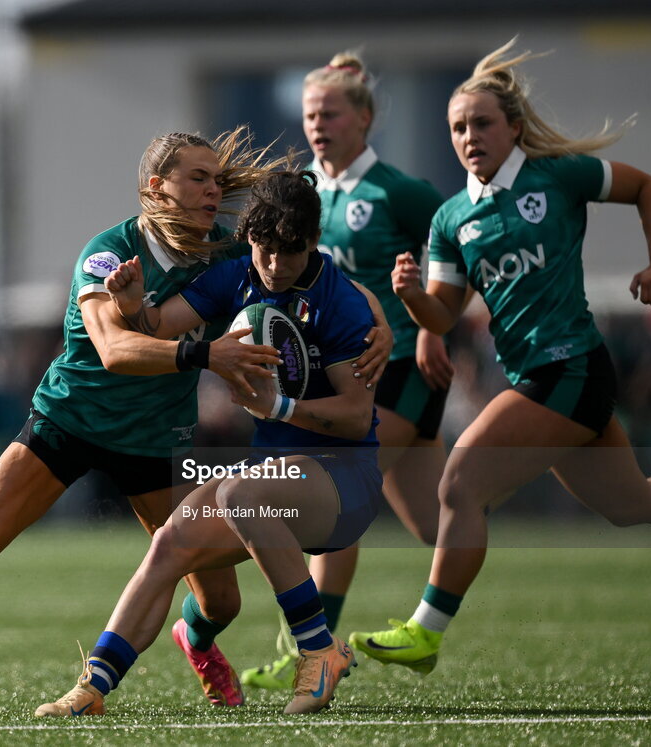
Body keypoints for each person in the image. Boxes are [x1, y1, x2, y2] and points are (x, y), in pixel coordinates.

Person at [0, 128, 293, 714]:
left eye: (217, 179)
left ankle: (196, 641)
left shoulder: (229, 256)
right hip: (69, 423)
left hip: (155, 441)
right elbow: (114, 350)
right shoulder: (108, 252)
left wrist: (364, 324)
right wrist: (208, 355)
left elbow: (295, 296)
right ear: (156, 187)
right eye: (197, 177)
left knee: (222, 601)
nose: (212, 190)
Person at [348, 38, 651, 674]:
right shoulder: (451, 219)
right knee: (629, 503)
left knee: (459, 480)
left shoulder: (557, 177)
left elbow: (648, 188)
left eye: (481, 123)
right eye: (456, 128)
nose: (468, 136)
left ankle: (426, 632)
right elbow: (445, 314)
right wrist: (414, 299)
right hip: (542, 378)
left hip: (572, 367)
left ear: (514, 129)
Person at [34, 168, 385, 717]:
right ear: (249, 239)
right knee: (169, 544)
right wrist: (129, 306)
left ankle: (318, 649)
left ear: (313, 242)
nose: (272, 265)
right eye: (263, 248)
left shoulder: (341, 302)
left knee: (241, 491)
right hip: (269, 481)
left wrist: (281, 408)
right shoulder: (238, 276)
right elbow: (155, 325)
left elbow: (357, 415)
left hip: (343, 480)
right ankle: (93, 687)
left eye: (288, 253)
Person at [241, 51, 454, 690]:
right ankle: (432, 619)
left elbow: (460, 246)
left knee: (330, 496)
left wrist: (433, 325)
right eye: (310, 114)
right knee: (443, 519)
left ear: (364, 119)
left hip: (393, 366)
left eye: (331, 112)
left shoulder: (398, 191)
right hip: (337, 375)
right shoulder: (302, 191)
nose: (318, 124)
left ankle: (315, 653)